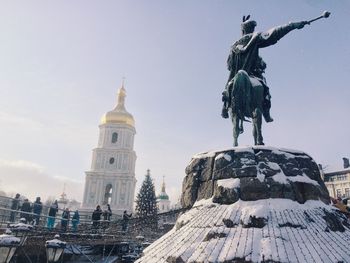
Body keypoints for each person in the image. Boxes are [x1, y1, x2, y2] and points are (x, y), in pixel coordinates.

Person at [222, 16, 309, 123]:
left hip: (234, 76)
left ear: (242, 30)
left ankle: (225, 108)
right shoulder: (254, 37)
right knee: (265, 90)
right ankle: (266, 114)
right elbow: (275, 33)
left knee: (228, 90)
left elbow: (229, 67)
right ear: (251, 29)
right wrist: (293, 25)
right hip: (252, 74)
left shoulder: (234, 46)